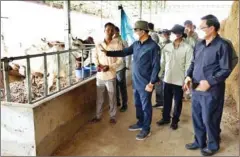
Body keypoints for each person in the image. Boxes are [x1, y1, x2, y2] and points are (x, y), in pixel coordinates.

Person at [101, 20, 160, 140]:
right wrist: (108, 53)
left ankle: (146, 129)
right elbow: (124, 52)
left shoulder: (153, 46)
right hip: (136, 81)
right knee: (137, 104)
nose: (135, 32)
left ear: (143, 31)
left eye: (136, 30)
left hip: (146, 83)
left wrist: (152, 82)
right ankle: (140, 123)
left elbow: (156, 66)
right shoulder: (136, 44)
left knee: (146, 106)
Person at [184, 15, 233, 156]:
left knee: (210, 117)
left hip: (212, 89)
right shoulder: (199, 44)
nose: (199, 29)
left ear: (212, 28)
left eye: (202, 27)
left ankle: (213, 145)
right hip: (196, 86)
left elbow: (226, 69)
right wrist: (188, 76)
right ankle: (199, 141)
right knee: (197, 116)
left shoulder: (223, 45)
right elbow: (193, 63)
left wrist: (210, 82)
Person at [156, 24, 193, 130]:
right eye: (173, 33)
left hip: (179, 80)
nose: (176, 35)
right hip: (167, 78)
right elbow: (162, 63)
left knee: (177, 102)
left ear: (182, 35)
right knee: (166, 100)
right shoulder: (166, 47)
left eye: (178, 33)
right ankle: (165, 118)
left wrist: (187, 80)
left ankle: (175, 120)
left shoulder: (187, 48)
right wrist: (159, 76)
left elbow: (188, 65)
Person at [91, 22, 123, 124]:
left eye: (112, 30)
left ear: (114, 31)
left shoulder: (117, 44)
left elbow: (120, 60)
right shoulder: (98, 43)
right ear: (104, 30)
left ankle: (113, 116)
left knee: (112, 97)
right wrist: (98, 65)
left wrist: (110, 67)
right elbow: (94, 56)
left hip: (110, 75)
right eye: (108, 29)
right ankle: (98, 116)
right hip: (100, 75)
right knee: (99, 98)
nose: (110, 32)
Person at [113, 26, 131, 112]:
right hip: (112, 68)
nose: (112, 34)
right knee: (114, 85)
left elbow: (128, 54)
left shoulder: (123, 42)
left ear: (117, 32)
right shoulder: (110, 43)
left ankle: (125, 104)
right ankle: (117, 102)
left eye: (114, 32)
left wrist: (127, 64)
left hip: (120, 67)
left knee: (122, 86)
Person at [153, 29, 172, 108]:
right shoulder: (158, 44)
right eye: (162, 35)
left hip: (167, 69)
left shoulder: (171, 44)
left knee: (166, 87)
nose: (163, 36)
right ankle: (159, 102)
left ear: (168, 35)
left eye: (165, 34)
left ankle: (166, 104)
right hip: (158, 67)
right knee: (158, 85)